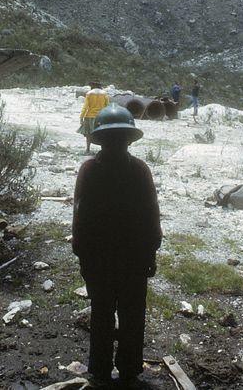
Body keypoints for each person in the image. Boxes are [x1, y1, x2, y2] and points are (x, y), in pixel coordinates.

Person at [72, 104, 162, 388]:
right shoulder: (139, 170)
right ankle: (129, 369)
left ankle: (100, 370)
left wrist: (82, 256)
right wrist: (151, 253)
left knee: (102, 312)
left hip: (102, 260)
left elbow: (80, 218)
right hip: (132, 259)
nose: (116, 143)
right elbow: (152, 215)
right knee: (131, 313)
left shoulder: (89, 170)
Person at [78, 81, 110, 155]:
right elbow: (107, 106)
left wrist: (81, 117)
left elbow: (85, 107)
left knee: (88, 134)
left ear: (92, 86)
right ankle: (103, 150)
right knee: (102, 133)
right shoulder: (104, 94)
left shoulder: (89, 94)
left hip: (89, 116)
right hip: (101, 116)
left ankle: (88, 150)